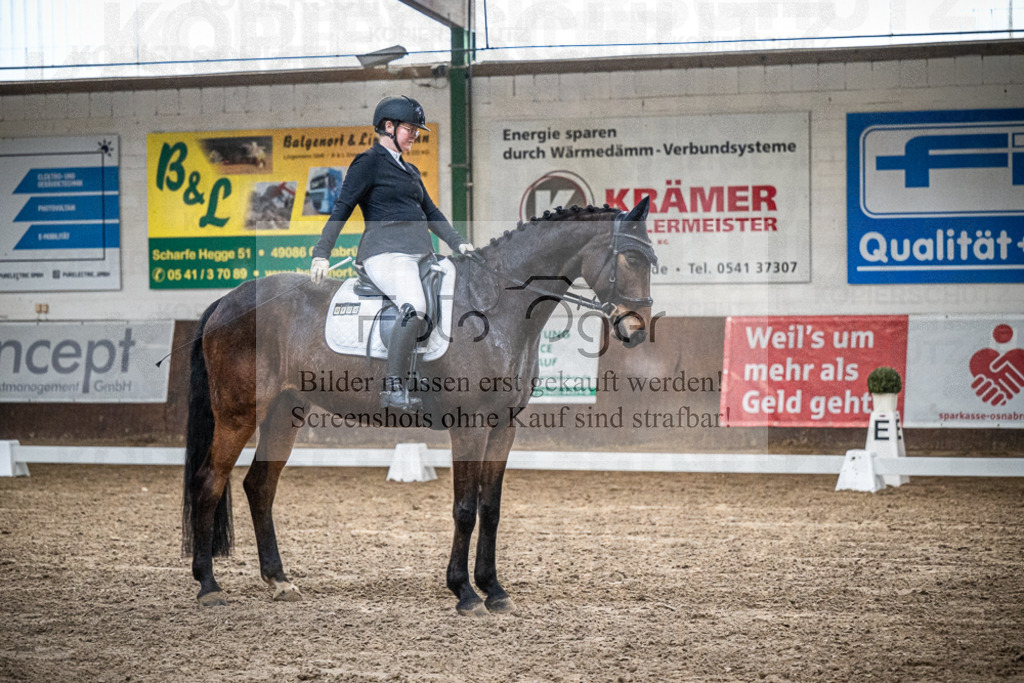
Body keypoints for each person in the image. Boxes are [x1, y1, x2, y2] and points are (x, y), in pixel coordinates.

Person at [310, 95, 475, 412]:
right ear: (389, 126)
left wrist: (458, 242)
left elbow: (431, 212)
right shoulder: (368, 162)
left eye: (417, 130)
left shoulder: (410, 170)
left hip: (422, 255)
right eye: (410, 128)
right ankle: (393, 386)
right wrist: (322, 253)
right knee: (415, 305)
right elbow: (342, 207)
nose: (415, 134)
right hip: (386, 253)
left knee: (446, 300)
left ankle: (420, 372)